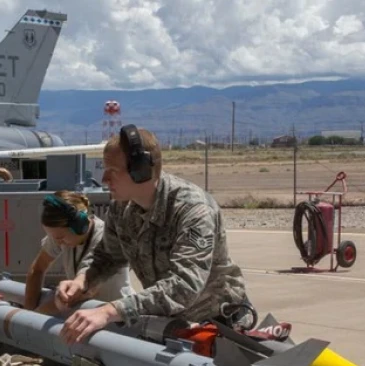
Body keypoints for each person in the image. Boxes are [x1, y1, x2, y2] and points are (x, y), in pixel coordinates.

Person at [56, 124, 250, 344]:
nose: (104, 180)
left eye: (113, 172)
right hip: (175, 325)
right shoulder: (122, 207)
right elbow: (108, 256)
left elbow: (183, 286)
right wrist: (82, 281)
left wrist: (111, 311)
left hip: (220, 328)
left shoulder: (193, 209)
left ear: (141, 171)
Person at [23, 190, 134, 314]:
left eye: (60, 237)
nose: (58, 242)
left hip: (115, 316)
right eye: (54, 238)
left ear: (80, 226)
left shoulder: (105, 239)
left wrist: (32, 317)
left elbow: (79, 295)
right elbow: (37, 270)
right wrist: (28, 311)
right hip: (85, 313)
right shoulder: (60, 234)